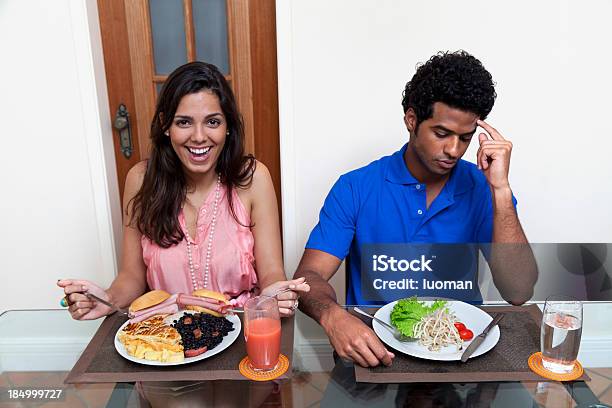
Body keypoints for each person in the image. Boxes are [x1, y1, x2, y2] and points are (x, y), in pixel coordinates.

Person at [294, 50, 537, 367]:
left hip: (460, 351)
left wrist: (501, 190)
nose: (453, 150)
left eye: (465, 138)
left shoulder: (482, 188)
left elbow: (518, 291)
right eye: (441, 133)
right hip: (376, 352)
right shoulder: (355, 188)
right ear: (411, 120)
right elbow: (307, 277)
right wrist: (332, 316)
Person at [58, 61, 308, 320]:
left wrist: (276, 293)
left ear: (228, 126)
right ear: (166, 126)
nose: (199, 137)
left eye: (213, 122)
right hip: (165, 338)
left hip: (240, 330)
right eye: (184, 122)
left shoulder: (254, 178)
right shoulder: (140, 181)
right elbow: (131, 276)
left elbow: (271, 274)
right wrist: (107, 299)